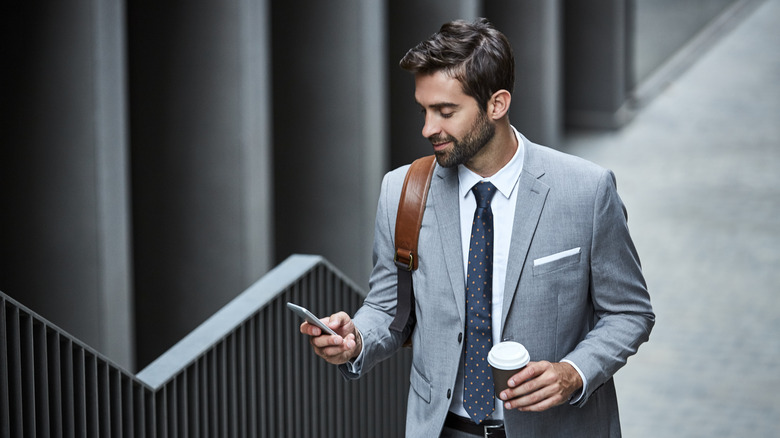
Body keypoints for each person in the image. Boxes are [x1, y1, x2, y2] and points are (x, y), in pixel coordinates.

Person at [300, 18, 654, 437]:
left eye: (445, 111)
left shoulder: (586, 190)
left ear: (497, 104)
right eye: (424, 110)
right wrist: (355, 339)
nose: (428, 128)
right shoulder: (403, 191)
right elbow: (387, 309)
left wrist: (574, 372)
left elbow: (629, 312)